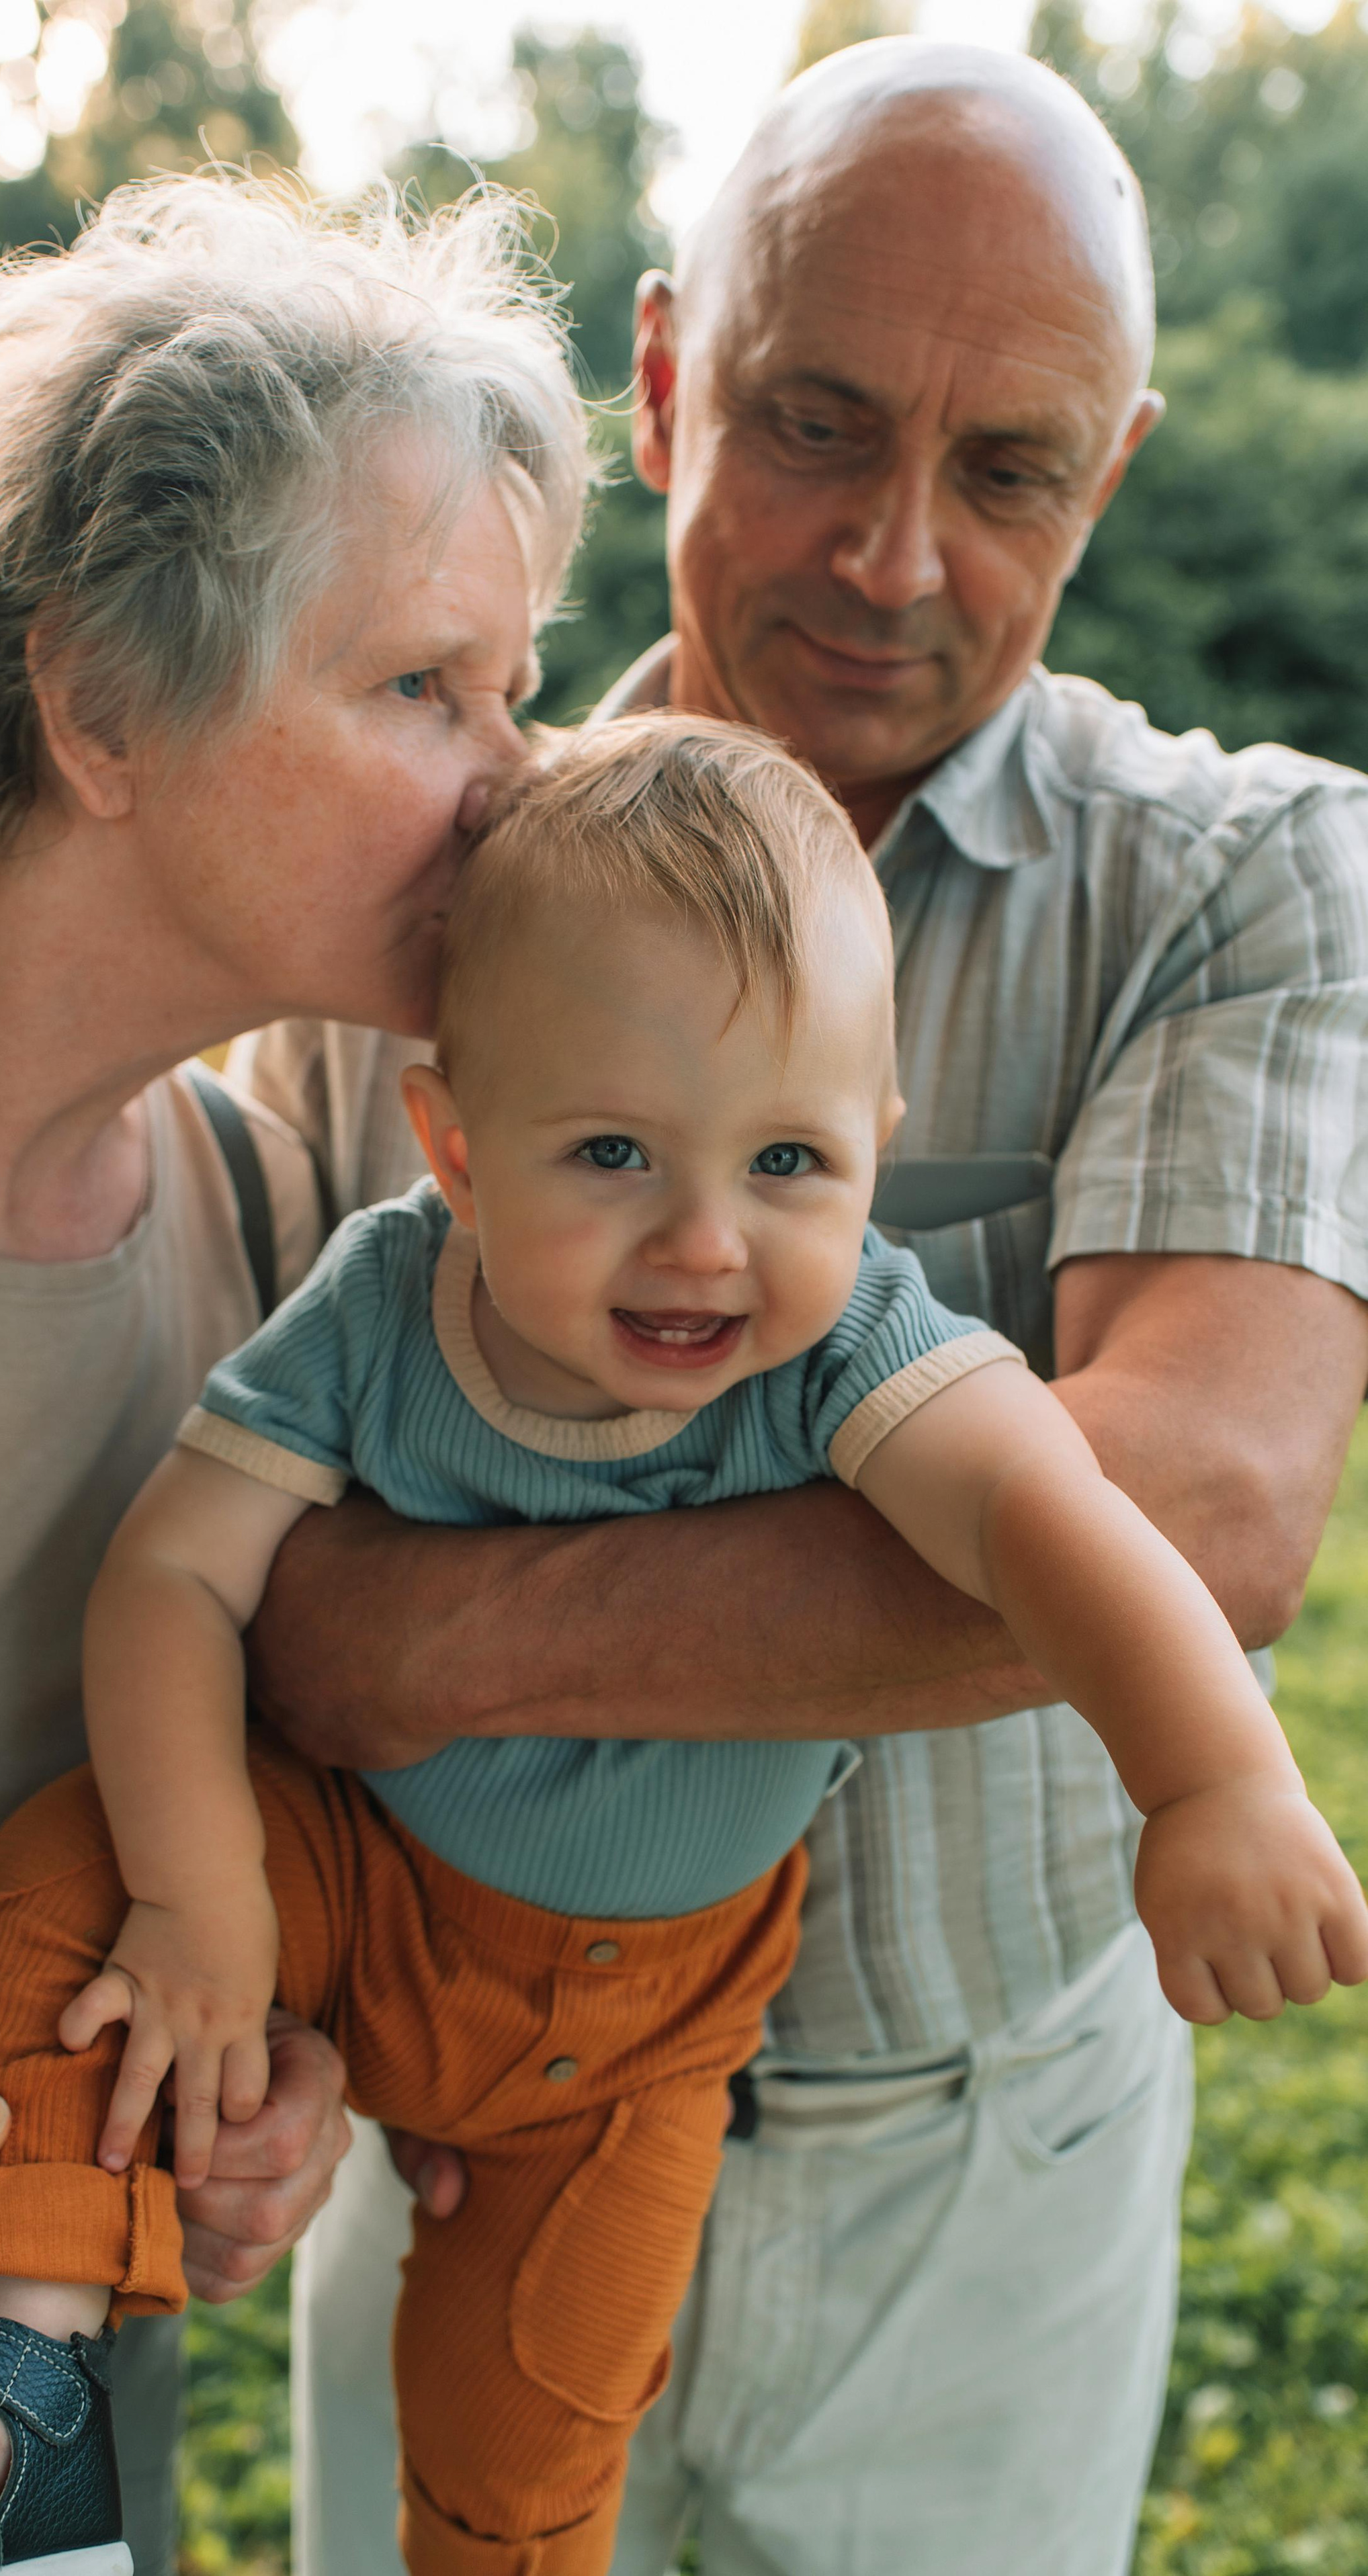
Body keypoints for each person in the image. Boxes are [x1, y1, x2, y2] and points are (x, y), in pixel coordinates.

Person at [0, 714, 1364, 2576]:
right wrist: (207, 1893)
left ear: (877, 1145)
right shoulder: (389, 1297)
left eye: (790, 1156)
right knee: (82, 1883)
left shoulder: (859, 1335)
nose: (704, 1241)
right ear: (457, 1147)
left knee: (530, 2428)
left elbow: (1051, 1521)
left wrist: (1208, 1776)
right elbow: (174, 1578)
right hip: (360, 1883)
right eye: (614, 1151)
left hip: (635, 2037)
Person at [235, 42, 1368, 2576]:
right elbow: (209, 1494)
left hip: (969, 2168)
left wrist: (428, 1641)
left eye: (1009, 473)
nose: (891, 556)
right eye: (815, 422)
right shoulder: (405, 884)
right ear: (662, 381)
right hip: (453, 2110)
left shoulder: (1241, 876)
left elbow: (1202, 1497)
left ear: (1118, 471)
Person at [0, 169, 594, 2576]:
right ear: (96, 704)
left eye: (517, 684)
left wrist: (268, 2084)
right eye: (419, 686)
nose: (519, 776)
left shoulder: (274, 1220)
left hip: (41, 2364)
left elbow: (237, 1843)